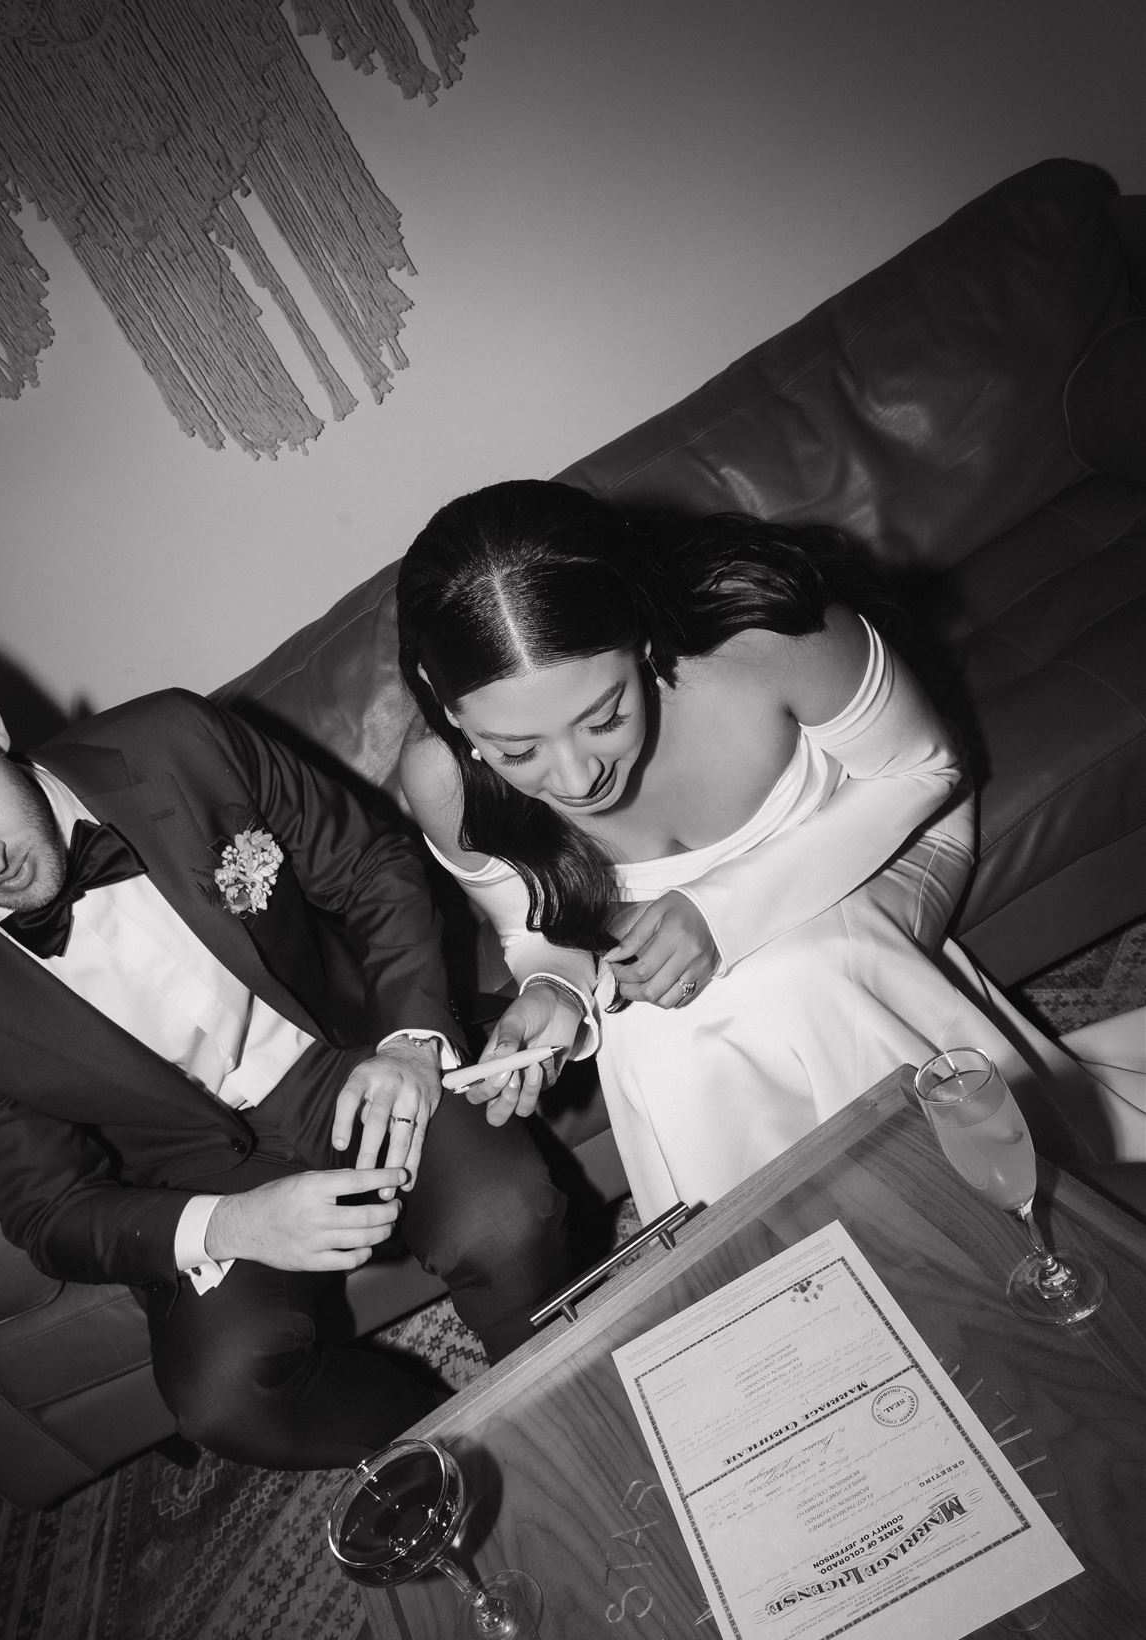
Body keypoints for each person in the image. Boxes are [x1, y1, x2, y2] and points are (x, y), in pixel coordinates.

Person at [0, 634, 569, 1468]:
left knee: (504, 1214)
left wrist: (410, 1040)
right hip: (193, 1178)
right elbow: (49, 1213)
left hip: (352, 1054)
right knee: (227, 1401)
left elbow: (371, 867)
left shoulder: (176, 744)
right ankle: (465, 1454)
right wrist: (232, 1223)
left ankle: (560, 1400)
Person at [396, 480, 1143, 1223]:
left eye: (604, 716)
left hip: (883, 836)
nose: (575, 776)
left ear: (641, 634)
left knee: (796, 974)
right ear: (441, 694)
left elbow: (926, 771)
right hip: (676, 922)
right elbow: (531, 930)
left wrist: (722, 914)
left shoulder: (765, 638)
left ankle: (991, 1215)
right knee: (652, 1043)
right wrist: (553, 993)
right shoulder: (441, 780)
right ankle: (792, 1266)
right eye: (516, 749)